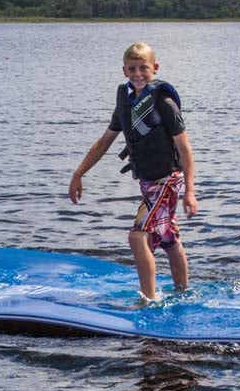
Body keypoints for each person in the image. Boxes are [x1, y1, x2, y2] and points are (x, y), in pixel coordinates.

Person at [68, 42, 198, 301]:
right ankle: (184, 291)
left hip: (167, 180)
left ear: (155, 68)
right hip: (149, 184)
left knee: (138, 238)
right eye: (132, 69)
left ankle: (148, 300)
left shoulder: (164, 102)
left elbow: (185, 149)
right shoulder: (126, 104)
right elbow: (104, 142)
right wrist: (78, 174)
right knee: (168, 236)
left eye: (144, 68)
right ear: (124, 71)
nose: (138, 74)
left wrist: (190, 191)